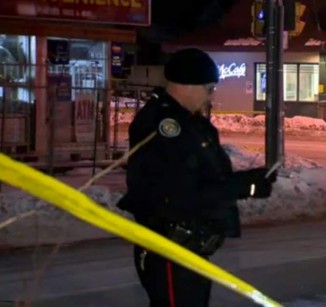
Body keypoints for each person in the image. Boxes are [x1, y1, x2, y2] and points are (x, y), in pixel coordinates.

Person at [117, 48, 277, 307]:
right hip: (171, 249)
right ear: (186, 86)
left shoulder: (191, 123)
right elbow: (177, 194)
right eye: (209, 88)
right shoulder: (162, 125)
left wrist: (249, 181)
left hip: (191, 249)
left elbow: (208, 176)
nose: (211, 96)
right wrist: (240, 186)